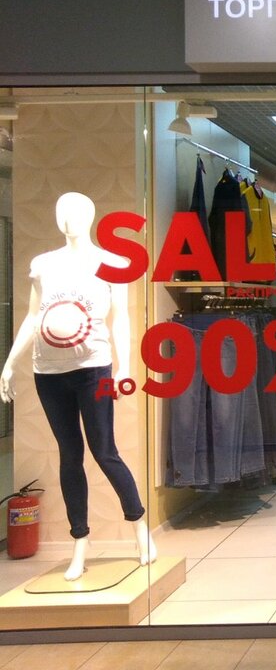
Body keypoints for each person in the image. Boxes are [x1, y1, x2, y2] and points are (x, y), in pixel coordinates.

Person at [0, 192, 156, 581]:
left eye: (75, 211)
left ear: (89, 215)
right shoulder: (43, 264)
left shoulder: (112, 263)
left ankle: (140, 529)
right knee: (70, 455)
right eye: (62, 212)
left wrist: (124, 366)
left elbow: (120, 319)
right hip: (48, 373)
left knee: (105, 451)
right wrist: (10, 362)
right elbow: (33, 317)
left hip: (94, 370)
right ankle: (80, 543)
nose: (67, 218)